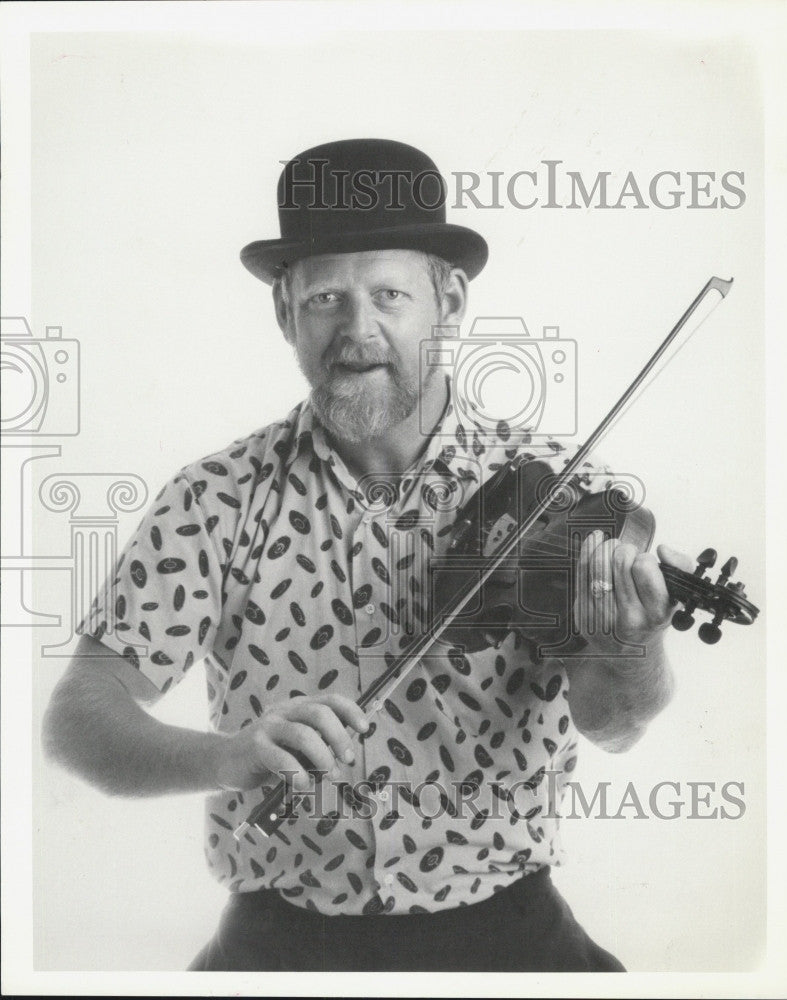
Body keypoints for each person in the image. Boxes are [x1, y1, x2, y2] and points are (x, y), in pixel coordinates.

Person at [42, 138, 692, 972]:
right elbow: (77, 717)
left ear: (447, 299)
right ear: (285, 314)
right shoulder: (214, 499)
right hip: (278, 943)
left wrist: (631, 649)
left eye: (388, 294)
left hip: (509, 934)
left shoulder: (559, 501)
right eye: (323, 299)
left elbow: (613, 725)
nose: (356, 332)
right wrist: (230, 757)